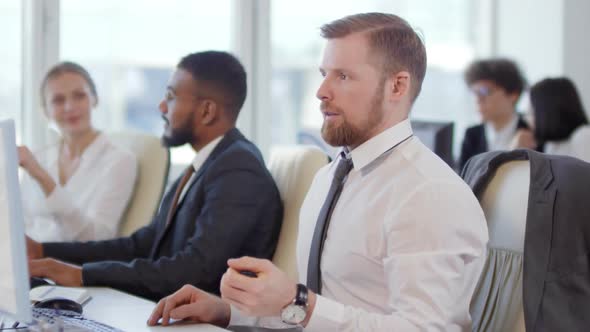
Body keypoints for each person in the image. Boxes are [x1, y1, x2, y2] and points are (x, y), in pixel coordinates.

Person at [149, 13, 488, 331]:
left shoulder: (428, 193)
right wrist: (227, 311)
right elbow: (316, 315)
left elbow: (422, 328)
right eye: (324, 73)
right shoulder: (330, 177)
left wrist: (300, 302)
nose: (321, 91)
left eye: (342, 76)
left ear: (397, 87)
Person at [26, 51, 284, 302]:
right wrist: (46, 252)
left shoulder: (237, 170)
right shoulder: (206, 164)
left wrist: (83, 275)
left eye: (171, 97)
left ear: (207, 111)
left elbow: (194, 272)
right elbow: (141, 245)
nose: (161, 107)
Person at [19, 61, 138, 242]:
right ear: (46, 111)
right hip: (29, 264)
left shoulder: (119, 161)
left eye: (79, 96)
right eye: (58, 100)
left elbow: (95, 238)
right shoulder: (39, 158)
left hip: (71, 266)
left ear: (94, 99)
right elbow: (20, 226)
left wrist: (43, 178)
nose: (69, 107)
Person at [458, 58, 529, 171]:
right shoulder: (472, 135)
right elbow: (464, 182)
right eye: (475, 93)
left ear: (513, 95)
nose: (478, 100)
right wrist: (512, 154)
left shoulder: (531, 133)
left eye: (485, 92)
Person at [512, 77, 590, 162]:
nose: (527, 120)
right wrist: (516, 152)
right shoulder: (551, 145)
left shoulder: (584, 136)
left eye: (531, 113)